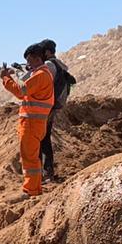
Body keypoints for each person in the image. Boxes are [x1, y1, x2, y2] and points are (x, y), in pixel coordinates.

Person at [0, 44, 55, 198]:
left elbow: (20, 91)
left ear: (37, 58)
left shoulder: (41, 75)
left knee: (29, 158)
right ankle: (34, 188)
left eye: (29, 60)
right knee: (32, 157)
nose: (28, 64)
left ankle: (30, 190)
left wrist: (5, 77)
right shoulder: (43, 74)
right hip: (36, 122)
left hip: (31, 122)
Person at [38, 39, 76, 182]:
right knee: (45, 139)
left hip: (46, 107)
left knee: (40, 140)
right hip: (54, 106)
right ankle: (48, 172)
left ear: (47, 52)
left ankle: (42, 174)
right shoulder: (59, 65)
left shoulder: (48, 65)